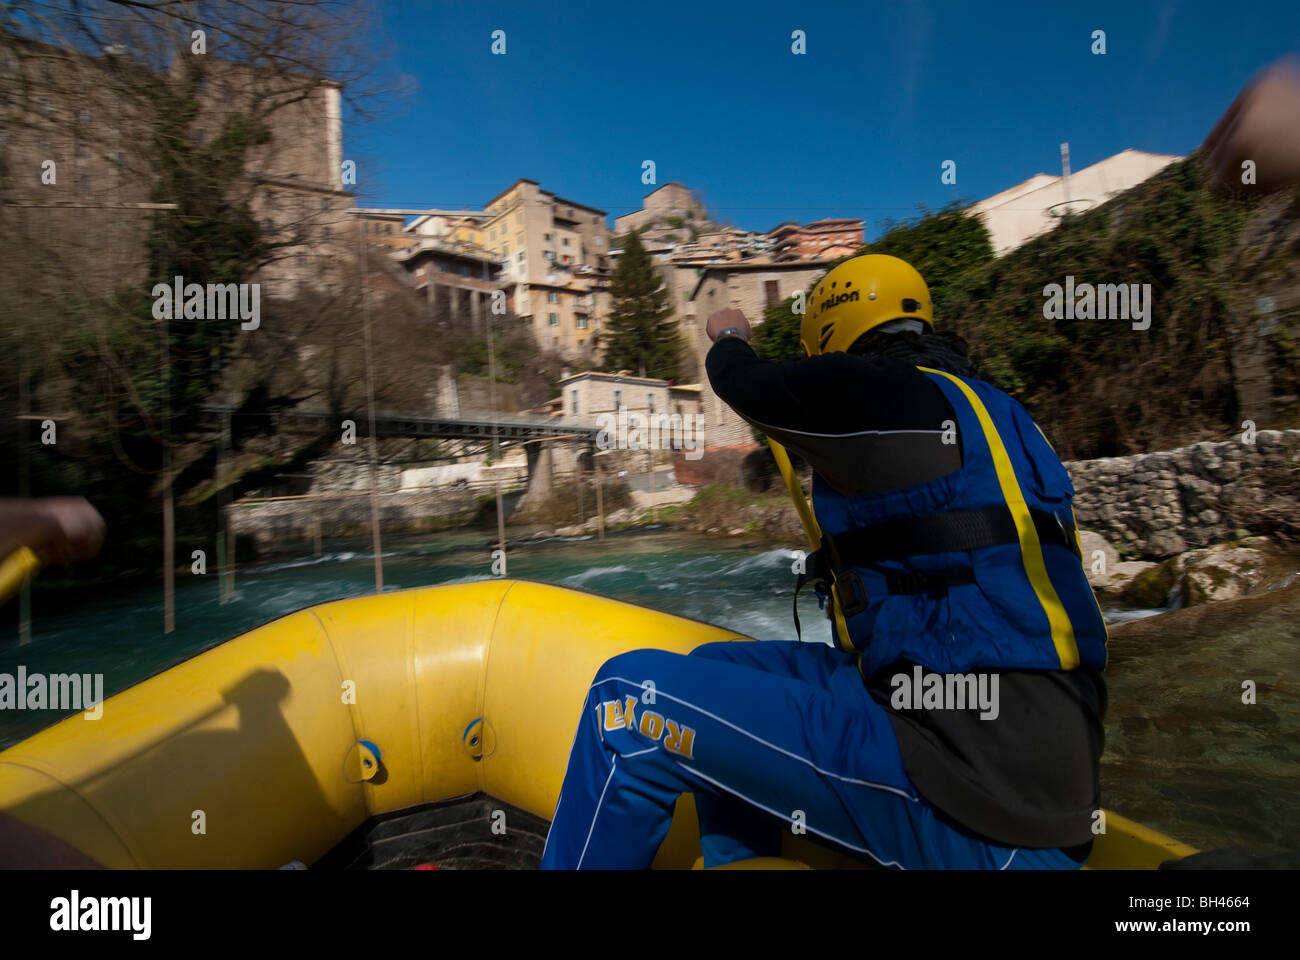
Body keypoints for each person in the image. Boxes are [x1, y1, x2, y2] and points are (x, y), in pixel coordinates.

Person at [539, 55, 1300, 870]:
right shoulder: (992, 410)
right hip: (1024, 761)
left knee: (628, 701)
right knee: (719, 663)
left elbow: (747, 385)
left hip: (968, 797)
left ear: (835, 338)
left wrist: (727, 332)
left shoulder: (875, 394)